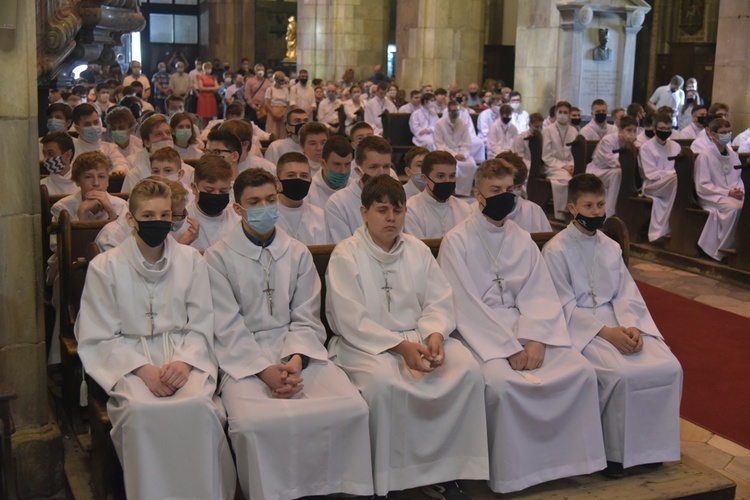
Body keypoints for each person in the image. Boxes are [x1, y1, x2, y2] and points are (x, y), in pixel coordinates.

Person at [437, 159, 605, 493]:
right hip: (481, 334)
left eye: (509, 190)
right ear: (478, 195)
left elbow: (539, 292)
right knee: (501, 386)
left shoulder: (522, 238)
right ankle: (513, 473)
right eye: (495, 191)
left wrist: (536, 339)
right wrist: (506, 347)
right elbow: (463, 305)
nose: (505, 197)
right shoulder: (456, 241)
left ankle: (568, 463)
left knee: (581, 372)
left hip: (526, 326)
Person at [205, 168, 372, 499]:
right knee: (254, 425)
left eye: (270, 199)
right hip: (244, 360)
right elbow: (225, 324)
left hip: (296, 353)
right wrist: (265, 371)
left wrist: (295, 359)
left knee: (351, 408)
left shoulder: (296, 252)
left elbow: (307, 316)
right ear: (237, 208)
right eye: (254, 202)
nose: (264, 207)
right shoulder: (217, 258)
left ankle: (335, 490)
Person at [326, 174, 489, 498]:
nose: (391, 218)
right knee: (386, 385)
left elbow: (438, 300)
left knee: (466, 371)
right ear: (364, 212)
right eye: (382, 210)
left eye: (397, 210)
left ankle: (451, 470)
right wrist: (401, 348)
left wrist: (434, 336)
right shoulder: (347, 254)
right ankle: (393, 477)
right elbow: (350, 318)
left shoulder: (416, 249)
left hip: (419, 337)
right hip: (368, 345)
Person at [76, 178, 236, 499]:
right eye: (148, 216)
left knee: (199, 407)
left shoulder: (191, 261)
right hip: (131, 362)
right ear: (131, 219)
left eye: (165, 215)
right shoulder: (105, 267)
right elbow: (98, 334)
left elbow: (203, 320)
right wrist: (143, 369)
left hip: (183, 356)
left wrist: (185, 361)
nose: (158, 222)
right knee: (140, 411)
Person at [542, 173, 683, 478]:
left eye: (600, 204)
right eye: (588, 206)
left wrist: (631, 326)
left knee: (668, 367)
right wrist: (604, 333)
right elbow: (561, 304)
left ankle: (650, 449)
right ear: (572, 207)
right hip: (582, 328)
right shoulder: (556, 250)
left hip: (618, 318)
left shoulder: (610, 246)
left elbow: (626, 292)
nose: (595, 212)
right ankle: (614, 455)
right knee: (620, 374)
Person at [325, 135, 392, 243]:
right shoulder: (338, 203)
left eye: (386, 167)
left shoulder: (396, 197)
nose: (381, 173)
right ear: (358, 170)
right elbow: (345, 248)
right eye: (374, 167)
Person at [694, 118, 744, 261]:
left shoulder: (733, 155)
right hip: (711, 196)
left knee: (744, 206)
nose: (726, 135)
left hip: (731, 195)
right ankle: (722, 249)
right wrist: (728, 192)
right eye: (722, 132)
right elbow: (702, 185)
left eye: (728, 132)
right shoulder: (705, 156)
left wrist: (739, 190)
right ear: (713, 135)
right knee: (735, 209)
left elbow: (738, 177)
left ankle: (741, 247)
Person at [404, 150, 471, 238]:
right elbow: (418, 248)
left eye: (452, 176)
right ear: (425, 178)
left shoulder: (465, 208)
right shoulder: (411, 210)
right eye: (440, 176)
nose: (447, 181)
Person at [636, 113, 680, 242]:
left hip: (671, 183)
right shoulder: (646, 148)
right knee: (676, 180)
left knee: (679, 182)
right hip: (652, 185)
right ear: (654, 129)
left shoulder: (675, 146)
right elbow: (650, 174)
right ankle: (662, 230)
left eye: (668, 129)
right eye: (662, 129)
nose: (665, 132)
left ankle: (674, 227)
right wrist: (670, 174)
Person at [585, 115, 639, 218]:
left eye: (634, 130)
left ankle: (625, 211)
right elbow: (610, 161)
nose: (632, 133)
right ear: (620, 130)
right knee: (618, 173)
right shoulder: (608, 140)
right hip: (599, 171)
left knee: (623, 174)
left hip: (614, 172)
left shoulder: (634, 143)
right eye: (628, 130)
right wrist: (627, 154)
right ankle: (609, 214)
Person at [51, 151, 128, 222]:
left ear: (107, 181)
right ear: (77, 181)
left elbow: (125, 237)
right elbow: (67, 237)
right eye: (88, 177)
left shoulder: (122, 206)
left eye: (101, 177)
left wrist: (111, 211)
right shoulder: (61, 208)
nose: (96, 183)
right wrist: (82, 212)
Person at [186, 154, 240, 252]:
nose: (216, 195)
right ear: (194, 188)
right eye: (209, 190)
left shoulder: (237, 218)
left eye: (223, 191)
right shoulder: (183, 218)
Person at [274, 151, 328, 244]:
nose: (298, 180)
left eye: (304, 176)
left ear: (310, 181)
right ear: (278, 182)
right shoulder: (266, 215)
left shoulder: (320, 216)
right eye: (291, 175)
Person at [495, 151, 552, 232]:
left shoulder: (533, 210)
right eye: (510, 188)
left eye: (518, 187)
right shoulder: (475, 212)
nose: (514, 192)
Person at [542, 101, 578, 220]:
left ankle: (575, 212)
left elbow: (575, 152)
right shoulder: (548, 130)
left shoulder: (574, 130)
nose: (563, 115)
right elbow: (546, 155)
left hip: (570, 165)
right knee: (566, 180)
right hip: (553, 166)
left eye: (565, 112)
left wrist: (572, 165)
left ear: (569, 114)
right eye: (560, 112)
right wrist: (563, 166)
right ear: (556, 113)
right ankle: (561, 214)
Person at [434, 100, 478, 197]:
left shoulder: (463, 123)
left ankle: (464, 192)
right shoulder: (439, 124)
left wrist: (464, 154)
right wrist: (454, 155)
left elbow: (467, 142)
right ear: (448, 111)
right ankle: (453, 191)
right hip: (446, 152)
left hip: (461, 153)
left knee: (471, 165)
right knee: (454, 166)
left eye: (457, 110)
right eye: (453, 111)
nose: (455, 113)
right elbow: (440, 144)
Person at [71, 104, 130, 176]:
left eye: (96, 122)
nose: (93, 127)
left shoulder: (110, 148)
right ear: (77, 128)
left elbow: (122, 164)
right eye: (87, 124)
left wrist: (118, 171)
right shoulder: (72, 151)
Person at [307, 135, 353, 209]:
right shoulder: (308, 192)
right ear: (323, 163)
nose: (343, 171)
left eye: (347, 164)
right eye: (337, 164)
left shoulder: (356, 189)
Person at [264, 71, 290, 140]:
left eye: (282, 79)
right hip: (272, 112)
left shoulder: (285, 90)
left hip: (283, 112)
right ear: (275, 79)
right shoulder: (270, 89)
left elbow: (287, 103)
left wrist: (283, 114)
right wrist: (274, 114)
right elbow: (267, 104)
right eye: (278, 79)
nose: (280, 81)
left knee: (282, 133)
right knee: (273, 133)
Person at [197, 62, 220, 127]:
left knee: (211, 116)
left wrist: (206, 88)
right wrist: (212, 88)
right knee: (203, 116)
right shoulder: (200, 77)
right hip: (203, 98)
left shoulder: (213, 78)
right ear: (204, 69)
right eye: (207, 68)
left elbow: (217, 87)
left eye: (210, 68)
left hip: (211, 98)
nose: (209, 70)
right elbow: (201, 88)